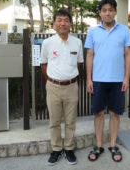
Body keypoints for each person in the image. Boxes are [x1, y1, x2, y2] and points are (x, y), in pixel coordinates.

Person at [84, 0, 130, 162]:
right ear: (100, 13)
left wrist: (126, 77)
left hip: (118, 80)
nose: (107, 13)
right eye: (104, 10)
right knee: (98, 113)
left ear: (115, 11)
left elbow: (128, 54)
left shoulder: (124, 30)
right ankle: (99, 145)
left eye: (110, 10)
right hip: (98, 80)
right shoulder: (93, 32)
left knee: (114, 114)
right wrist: (88, 79)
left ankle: (113, 145)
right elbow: (89, 55)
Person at [40, 9, 84, 166]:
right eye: (59, 20)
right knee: (54, 121)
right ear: (54, 23)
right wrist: (52, 79)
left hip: (72, 86)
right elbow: (43, 64)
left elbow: (78, 63)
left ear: (70, 24)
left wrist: (67, 77)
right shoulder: (47, 43)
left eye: (66, 20)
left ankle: (69, 148)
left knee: (71, 121)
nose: (63, 23)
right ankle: (57, 149)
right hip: (53, 87)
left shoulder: (77, 42)